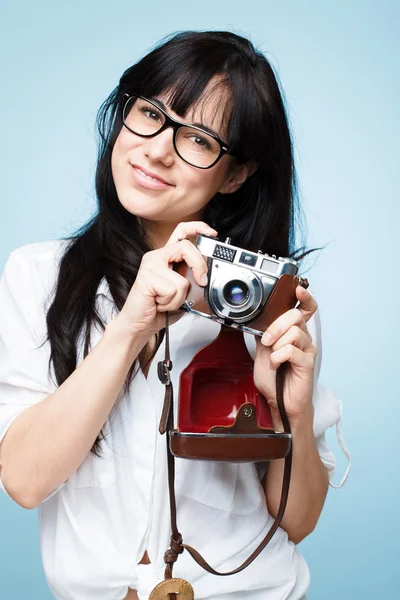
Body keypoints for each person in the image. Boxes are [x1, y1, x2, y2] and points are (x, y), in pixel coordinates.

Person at [0, 30, 351, 600]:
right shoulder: (37, 277)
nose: (158, 149)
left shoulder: (271, 306)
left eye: (199, 139)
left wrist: (293, 410)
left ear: (236, 174)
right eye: (149, 113)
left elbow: (299, 520)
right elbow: (23, 480)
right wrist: (130, 327)